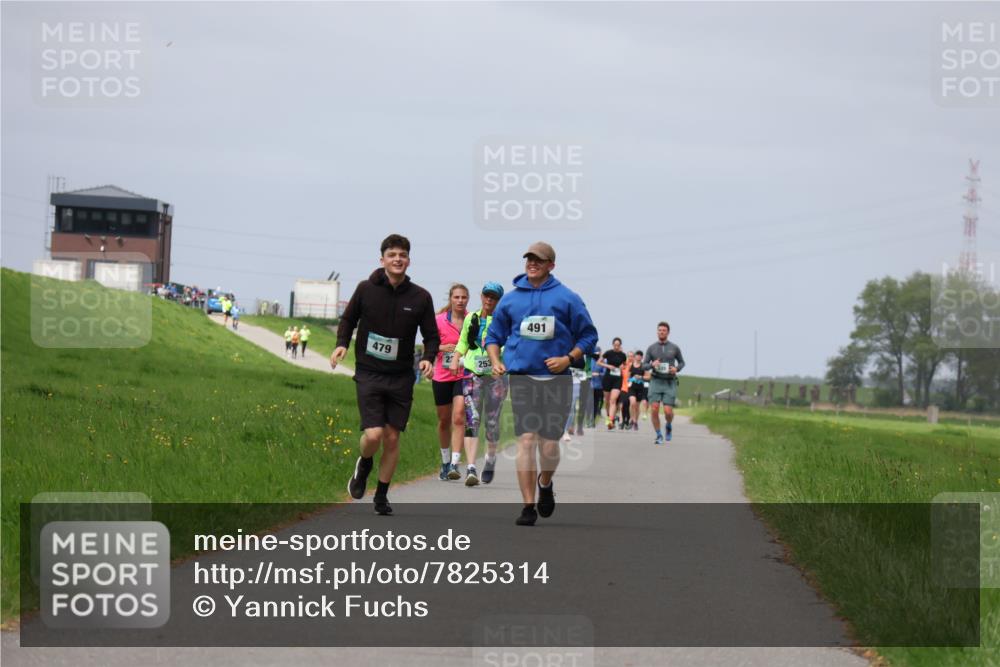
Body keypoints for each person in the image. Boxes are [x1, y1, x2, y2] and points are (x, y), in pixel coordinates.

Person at [485, 242, 598, 526]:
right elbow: (493, 337)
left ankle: (545, 483)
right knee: (525, 441)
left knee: (548, 447)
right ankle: (527, 507)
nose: (532, 263)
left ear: (551, 265)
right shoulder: (510, 300)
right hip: (523, 378)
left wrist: (568, 358)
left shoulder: (568, 298)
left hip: (556, 380)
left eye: (539, 259)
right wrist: (496, 360)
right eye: (529, 259)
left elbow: (588, 336)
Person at [331, 234, 439, 515]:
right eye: (392, 255)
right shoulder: (366, 289)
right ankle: (364, 463)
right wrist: (341, 344)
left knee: (392, 437)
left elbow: (431, 335)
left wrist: (428, 359)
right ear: (382, 260)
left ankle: (381, 495)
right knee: (374, 434)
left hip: (401, 376)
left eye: (402, 255)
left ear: (408, 261)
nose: (398, 259)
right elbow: (348, 319)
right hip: (369, 371)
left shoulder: (421, 297)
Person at [450, 281, 508, 485]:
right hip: (473, 373)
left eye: (493, 297)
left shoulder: (504, 320)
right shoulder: (470, 318)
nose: (489, 300)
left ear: (499, 300)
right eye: (486, 295)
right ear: (481, 296)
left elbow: (509, 345)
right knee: (471, 419)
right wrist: (457, 357)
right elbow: (463, 341)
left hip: (496, 377)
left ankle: (490, 459)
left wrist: (501, 363)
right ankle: (472, 467)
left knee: (491, 423)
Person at [433, 284, 470, 482]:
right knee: (444, 420)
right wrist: (441, 347)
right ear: (451, 298)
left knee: (458, 416)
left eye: (464, 297)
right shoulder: (439, 320)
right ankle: (445, 460)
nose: (460, 300)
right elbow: (429, 343)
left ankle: (455, 463)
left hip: (463, 375)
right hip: (442, 376)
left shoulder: (472, 319)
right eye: (456, 297)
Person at [644, 322, 686, 444]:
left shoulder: (674, 347)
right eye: (659, 330)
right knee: (655, 408)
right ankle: (658, 435)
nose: (661, 332)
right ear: (657, 332)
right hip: (656, 380)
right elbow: (644, 365)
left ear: (668, 332)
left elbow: (682, 362)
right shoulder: (651, 348)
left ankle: (668, 425)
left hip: (669, 382)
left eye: (664, 330)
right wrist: (652, 364)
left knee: (668, 411)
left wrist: (676, 369)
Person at [599, 338, 627, 429]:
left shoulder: (623, 355)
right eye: (615, 345)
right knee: (607, 401)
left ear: (620, 345)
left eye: (618, 345)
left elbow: (625, 365)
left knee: (613, 400)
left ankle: (611, 420)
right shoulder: (608, 353)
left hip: (618, 379)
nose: (616, 346)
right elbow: (599, 362)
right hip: (608, 378)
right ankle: (608, 417)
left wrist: (623, 366)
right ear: (612, 344)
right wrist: (608, 366)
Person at [627, 351, 646, 431]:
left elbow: (648, 377)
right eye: (637, 356)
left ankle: (635, 422)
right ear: (635, 357)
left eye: (640, 356)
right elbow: (628, 376)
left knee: (637, 406)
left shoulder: (644, 366)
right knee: (632, 403)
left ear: (642, 357)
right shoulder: (631, 365)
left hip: (640, 388)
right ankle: (632, 419)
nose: (638, 357)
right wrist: (632, 378)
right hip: (632, 387)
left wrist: (641, 377)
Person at [589, 347, 604, 427]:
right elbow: (586, 371)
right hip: (589, 385)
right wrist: (590, 374)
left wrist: (599, 374)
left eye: (598, 353)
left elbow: (604, 373)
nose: (596, 355)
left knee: (595, 404)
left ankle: (592, 421)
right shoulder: (589, 361)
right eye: (595, 353)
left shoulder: (603, 361)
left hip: (599, 386)